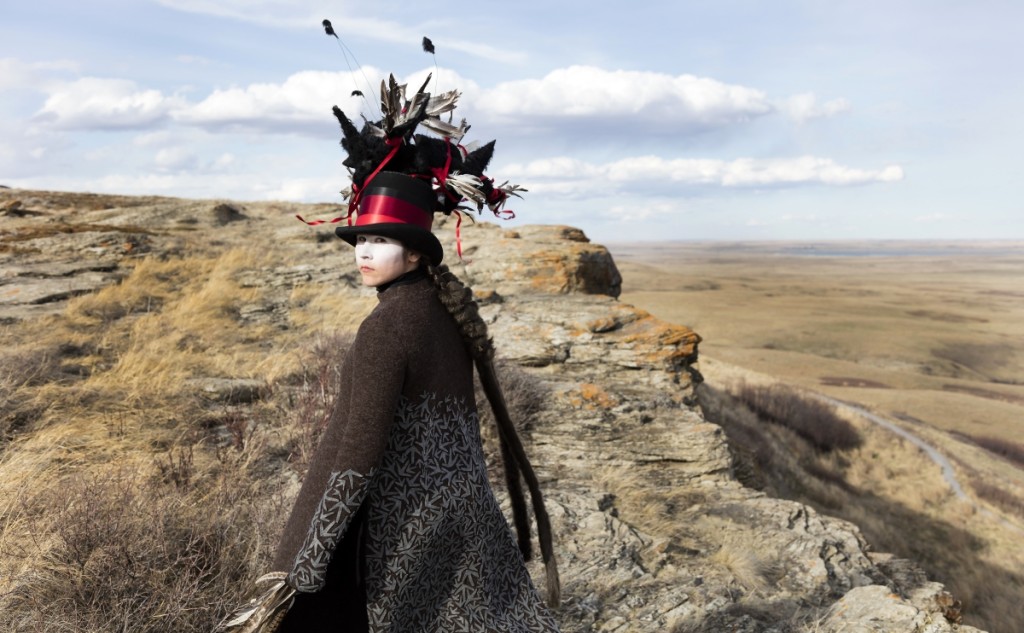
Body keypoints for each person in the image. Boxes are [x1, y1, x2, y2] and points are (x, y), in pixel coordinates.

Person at [221, 75, 559, 632]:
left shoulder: (390, 323)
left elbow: (358, 445)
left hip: (401, 530)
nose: (365, 253)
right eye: (361, 240)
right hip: (459, 513)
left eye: (380, 241)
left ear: (416, 250)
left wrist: (305, 565)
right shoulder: (440, 309)